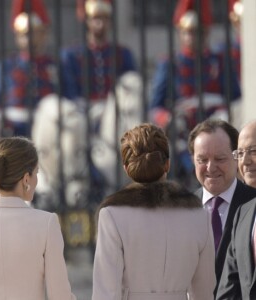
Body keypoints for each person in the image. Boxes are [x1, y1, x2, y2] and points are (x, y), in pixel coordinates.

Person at [92, 123, 216, 300]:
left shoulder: (112, 215)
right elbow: (204, 292)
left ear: (127, 169)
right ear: (167, 164)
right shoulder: (199, 216)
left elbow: (106, 292)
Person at [0, 136, 76, 299]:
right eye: (36, 173)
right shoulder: (47, 223)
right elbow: (60, 295)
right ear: (26, 179)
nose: (36, 180)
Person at [150, 0, 241, 185]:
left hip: (217, 118)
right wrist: (166, 118)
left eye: (197, 32)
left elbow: (236, 97)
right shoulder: (170, 64)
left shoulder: (219, 61)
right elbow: (155, 106)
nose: (193, 37)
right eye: (188, 32)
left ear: (205, 33)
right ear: (180, 33)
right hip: (184, 124)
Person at [188, 118, 256, 295]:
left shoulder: (251, 202)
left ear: (234, 158)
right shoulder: (181, 210)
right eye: (202, 159)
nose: (211, 167)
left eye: (219, 158)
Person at [0, 0, 58, 138]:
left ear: (43, 35)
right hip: (14, 126)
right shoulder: (7, 65)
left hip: (47, 127)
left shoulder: (52, 64)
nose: (29, 39)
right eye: (24, 34)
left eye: (35, 33)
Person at [61, 0, 136, 131]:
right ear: (87, 20)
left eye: (105, 18)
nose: (100, 24)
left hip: (115, 113)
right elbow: (69, 93)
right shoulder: (71, 55)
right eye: (96, 18)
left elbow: (132, 88)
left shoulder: (123, 54)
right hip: (82, 114)